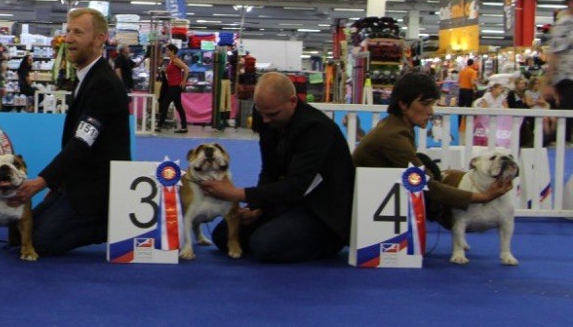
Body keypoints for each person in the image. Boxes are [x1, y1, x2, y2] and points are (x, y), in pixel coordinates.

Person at [198, 72, 354, 263]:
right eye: (261, 112)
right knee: (223, 236)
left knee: (264, 245)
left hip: (320, 210)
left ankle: (326, 244)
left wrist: (235, 194)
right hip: (288, 202)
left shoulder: (317, 128)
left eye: (272, 114)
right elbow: (270, 169)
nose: (265, 120)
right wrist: (258, 207)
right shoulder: (267, 117)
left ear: (293, 101)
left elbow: (296, 187)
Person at [12, 8, 131, 256]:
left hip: (96, 190)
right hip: (75, 182)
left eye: (78, 32)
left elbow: (81, 142)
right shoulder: (87, 77)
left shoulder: (104, 84)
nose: (68, 38)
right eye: (67, 31)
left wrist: (42, 182)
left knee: (37, 242)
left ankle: (109, 224)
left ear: (99, 38)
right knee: (17, 234)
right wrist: (56, 184)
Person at [352, 73, 514, 228]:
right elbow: (426, 185)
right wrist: (484, 197)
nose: (431, 111)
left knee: (425, 162)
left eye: (432, 104)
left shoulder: (392, 126)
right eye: (425, 104)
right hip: (357, 212)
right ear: (403, 104)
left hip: (362, 201)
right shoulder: (394, 136)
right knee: (429, 175)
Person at [548, 0, 573, 141]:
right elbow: (554, 54)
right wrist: (549, 83)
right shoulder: (563, 24)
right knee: (565, 122)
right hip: (567, 79)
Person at [157, 44, 189, 133]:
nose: (166, 52)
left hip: (175, 86)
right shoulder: (171, 61)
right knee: (178, 106)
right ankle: (184, 127)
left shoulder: (175, 60)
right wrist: (163, 69)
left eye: (168, 50)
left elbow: (186, 68)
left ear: (172, 51)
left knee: (165, 103)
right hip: (173, 86)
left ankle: (159, 125)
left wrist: (184, 81)